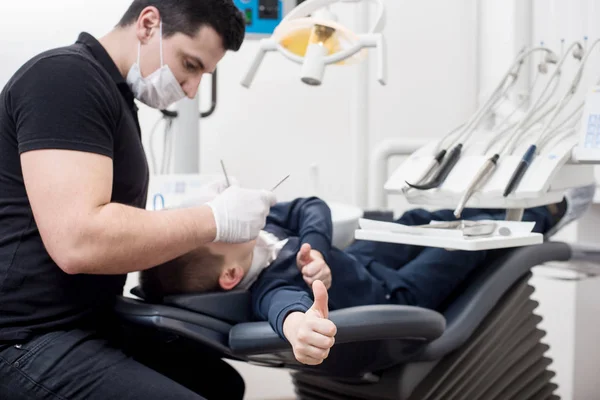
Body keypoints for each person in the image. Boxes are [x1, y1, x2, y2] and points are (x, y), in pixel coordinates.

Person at [0, 1, 276, 399]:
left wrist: (196, 216)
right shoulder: (65, 78)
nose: (191, 88)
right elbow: (78, 241)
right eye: (191, 65)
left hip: (85, 323)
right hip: (25, 338)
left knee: (220, 383)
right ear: (148, 24)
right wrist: (213, 219)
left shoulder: (112, 96)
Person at [140, 185, 596, 366]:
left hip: (355, 259)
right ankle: (547, 213)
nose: (220, 221)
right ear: (231, 275)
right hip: (392, 295)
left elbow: (307, 206)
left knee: (420, 216)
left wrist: (315, 244)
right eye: (215, 231)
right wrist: (301, 329)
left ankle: (521, 204)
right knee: (466, 242)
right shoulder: (271, 285)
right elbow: (286, 311)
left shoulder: (254, 233)